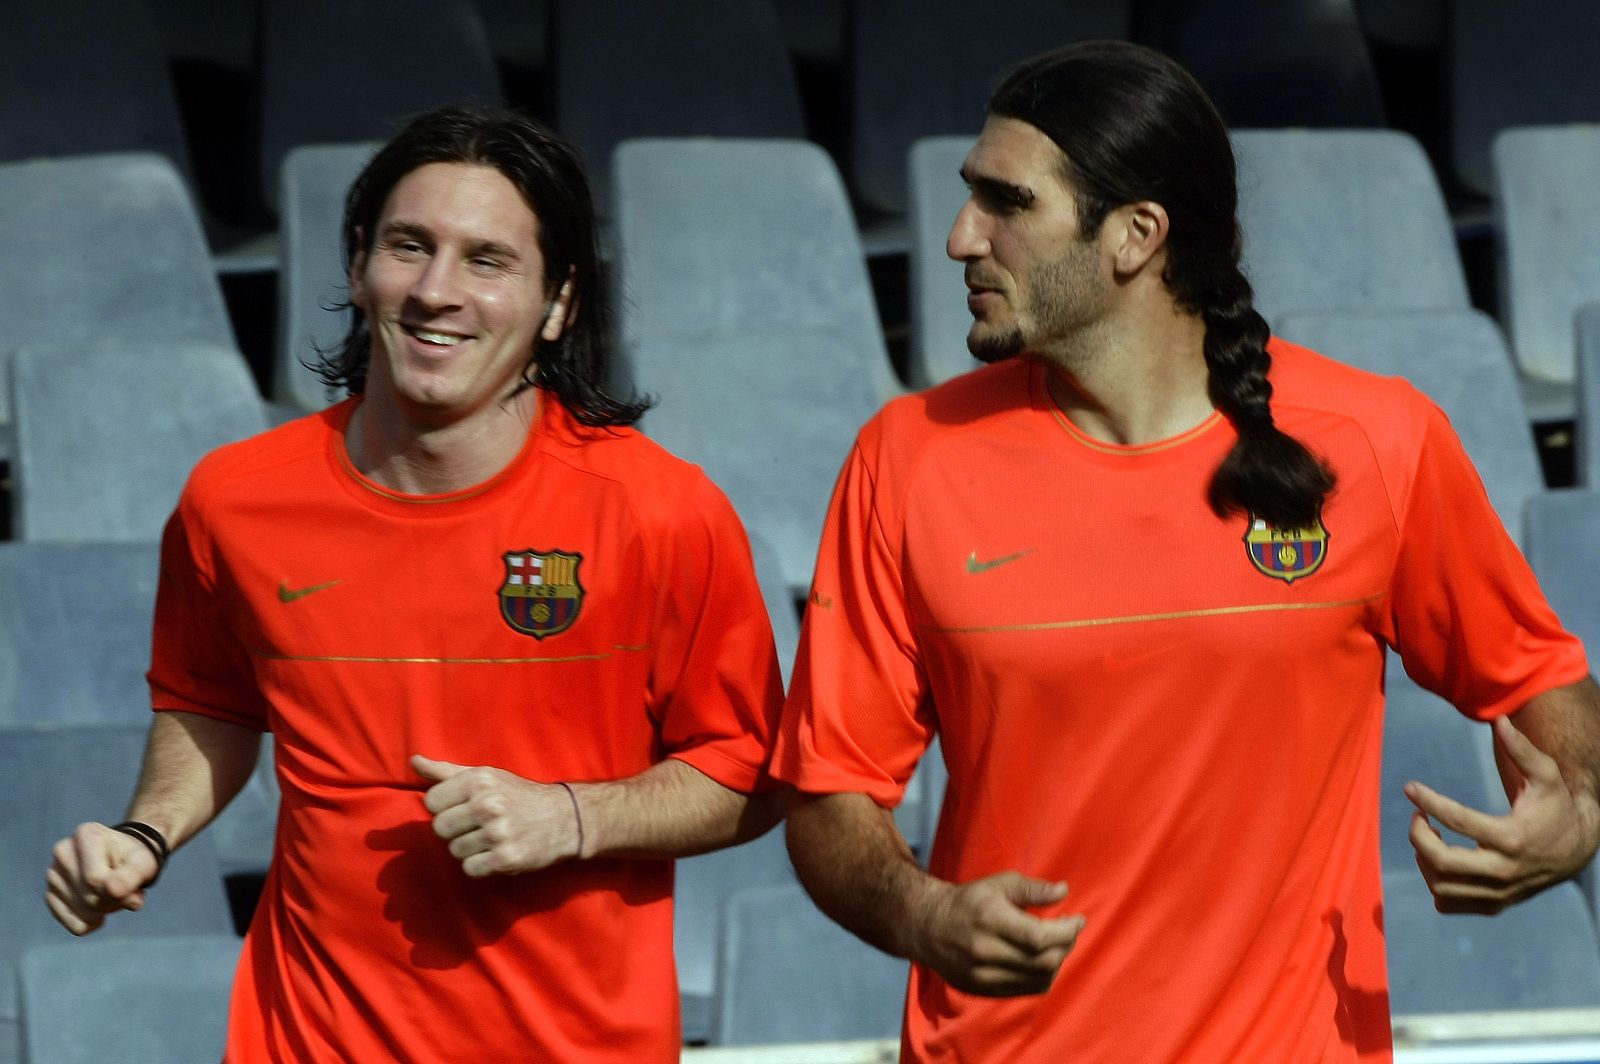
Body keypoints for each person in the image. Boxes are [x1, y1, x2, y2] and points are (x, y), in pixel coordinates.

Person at [775, 40, 1600, 1063]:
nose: (956, 238)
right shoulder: (905, 459)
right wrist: (918, 914)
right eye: (966, 196)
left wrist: (1577, 808)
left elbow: (1541, 679)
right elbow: (824, 793)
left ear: (1134, 235)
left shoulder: (1377, 442)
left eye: (1005, 202)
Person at [45, 106, 785, 1062]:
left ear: (558, 303)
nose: (439, 291)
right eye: (409, 246)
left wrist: (572, 816)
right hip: (303, 1039)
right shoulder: (232, 501)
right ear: (358, 268)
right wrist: (144, 836)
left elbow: (752, 775)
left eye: (488, 261)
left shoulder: (659, 512)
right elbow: (212, 704)